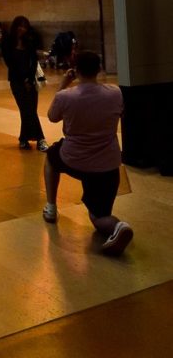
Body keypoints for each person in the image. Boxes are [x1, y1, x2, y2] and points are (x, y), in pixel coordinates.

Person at [42, 50, 133, 256]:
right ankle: (118, 227)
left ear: (75, 70)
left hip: (75, 158)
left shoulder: (66, 96)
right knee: (99, 217)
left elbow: (52, 117)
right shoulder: (115, 92)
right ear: (99, 69)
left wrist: (63, 84)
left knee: (51, 156)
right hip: (108, 164)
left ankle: (51, 207)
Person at [2, 15, 48, 152]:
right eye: (19, 26)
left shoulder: (29, 41)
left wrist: (29, 79)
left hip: (31, 80)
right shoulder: (8, 43)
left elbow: (33, 62)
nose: (21, 29)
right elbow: (10, 64)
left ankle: (23, 138)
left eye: (24, 26)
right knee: (26, 109)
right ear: (15, 27)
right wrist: (23, 80)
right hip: (16, 81)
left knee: (31, 109)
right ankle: (40, 139)